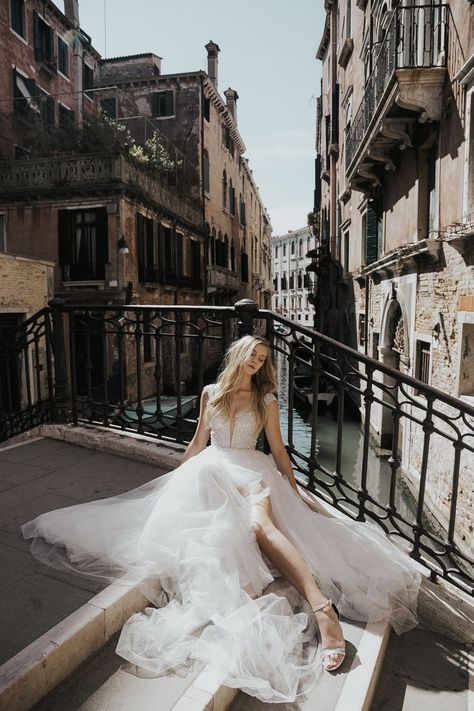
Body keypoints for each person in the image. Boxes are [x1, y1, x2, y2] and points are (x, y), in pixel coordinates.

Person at [22, 335, 421, 703]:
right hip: (210, 471)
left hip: (251, 472)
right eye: (253, 354)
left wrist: (296, 495)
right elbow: (198, 442)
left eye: (263, 359)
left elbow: (280, 452)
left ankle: (323, 608)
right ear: (237, 354)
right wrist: (172, 483)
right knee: (220, 526)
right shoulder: (210, 393)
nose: (256, 361)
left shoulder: (266, 399)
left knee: (258, 525)